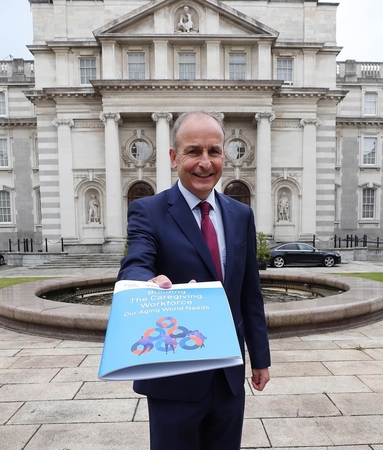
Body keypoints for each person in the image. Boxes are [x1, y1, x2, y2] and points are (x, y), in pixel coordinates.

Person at [118, 111, 271, 449]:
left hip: (229, 375)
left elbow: (249, 292)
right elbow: (134, 264)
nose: (205, 162)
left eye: (214, 151)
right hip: (175, 375)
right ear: (174, 158)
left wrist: (260, 358)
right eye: (194, 152)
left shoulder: (240, 213)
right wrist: (148, 283)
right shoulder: (148, 210)